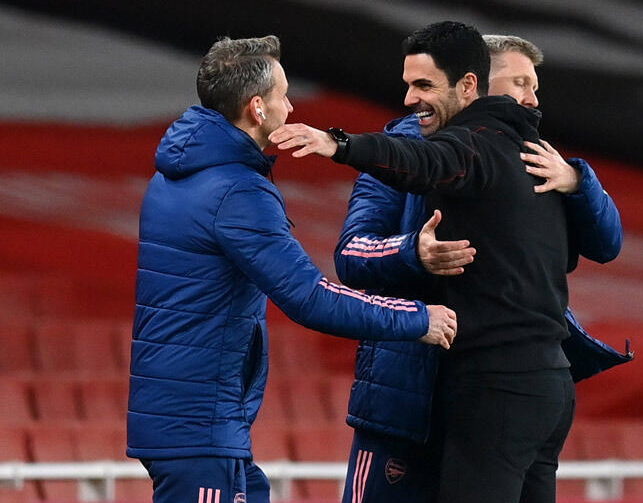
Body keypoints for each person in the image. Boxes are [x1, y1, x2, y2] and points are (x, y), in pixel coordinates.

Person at [271, 21, 619, 503]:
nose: (531, 99)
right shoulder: (402, 150)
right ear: (479, 81)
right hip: (410, 392)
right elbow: (351, 255)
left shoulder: (537, 160)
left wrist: (581, 182)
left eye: (534, 86)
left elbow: (605, 244)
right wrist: (411, 252)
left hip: (488, 382)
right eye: (520, 83)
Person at [126, 35, 458, 503]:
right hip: (198, 426)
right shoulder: (237, 192)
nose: (291, 106)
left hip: (188, 419)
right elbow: (311, 297)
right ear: (257, 108)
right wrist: (418, 318)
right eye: (283, 95)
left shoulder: (176, 173)